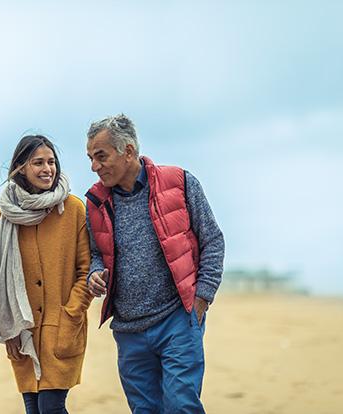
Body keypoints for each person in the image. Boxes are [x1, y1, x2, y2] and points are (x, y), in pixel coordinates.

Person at [85, 114, 225, 413]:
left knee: (181, 406)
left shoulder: (180, 183)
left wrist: (201, 299)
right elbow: (96, 253)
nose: (94, 166)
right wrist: (95, 273)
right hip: (129, 331)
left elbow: (212, 240)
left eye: (101, 156)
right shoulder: (95, 203)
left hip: (177, 320)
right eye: (91, 158)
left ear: (128, 151)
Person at [0, 134, 92, 414]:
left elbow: (86, 271)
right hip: (22, 331)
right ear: (21, 167)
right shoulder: (5, 214)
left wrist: (71, 313)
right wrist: (10, 329)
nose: (48, 169)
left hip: (62, 328)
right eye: (38, 163)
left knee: (51, 408)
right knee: (34, 409)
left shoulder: (73, 210)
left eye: (51, 162)